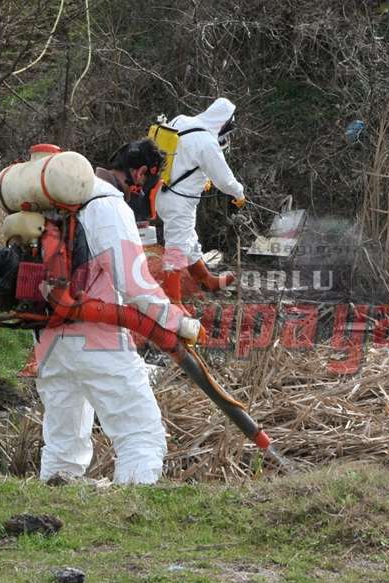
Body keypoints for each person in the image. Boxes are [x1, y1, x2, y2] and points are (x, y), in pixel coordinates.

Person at [34, 141, 196, 485]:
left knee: (63, 445)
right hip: (97, 339)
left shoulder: (62, 200)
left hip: (49, 340)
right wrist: (178, 321)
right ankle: (131, 517)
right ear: (140, 174)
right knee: (140, 434)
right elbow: (134, 284)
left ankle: (54, 506)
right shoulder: (108, 205)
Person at [155, 97, 246, 303]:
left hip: (163, 192)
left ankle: (207, 280)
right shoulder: (206, 142)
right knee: (177, 247)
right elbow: (225, 180)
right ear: (223, 123)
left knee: (188, 240)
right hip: (179, 201)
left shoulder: (181, 121)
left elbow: (179, 156)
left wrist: (200, 178)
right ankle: (173, 300)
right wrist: (239, 195)